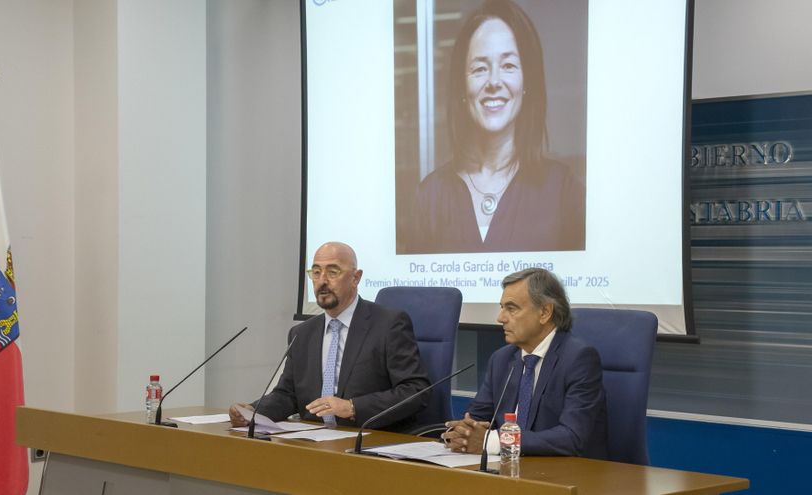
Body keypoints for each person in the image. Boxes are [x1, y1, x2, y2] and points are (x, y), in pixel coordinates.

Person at [405, 0, 585, 254]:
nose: (493, 82)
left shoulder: (564, 192)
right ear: (463, 88)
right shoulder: (430, 197)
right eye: (479, 68)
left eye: (508, 65)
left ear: (526, 82)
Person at [229, 242, 430, 431]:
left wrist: (353, 407)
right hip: (314, 440)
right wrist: (253, 411)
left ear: (356, 277)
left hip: (369, 439)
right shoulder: (302, 333)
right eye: (316, 272)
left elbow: (416, 391)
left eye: (332, 272)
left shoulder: (388, 324)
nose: (322, 280)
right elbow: (288, 395)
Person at [443, 268, 607, 458]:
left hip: (564, 475)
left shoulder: (579, 359)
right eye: (502, 307)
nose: (500, 318)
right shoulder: (502, 359)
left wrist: (495, 441)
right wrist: (463, 434)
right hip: (509, 471)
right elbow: (475, 420)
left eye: (511, 309)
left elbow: (572, 437)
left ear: (545, 312)